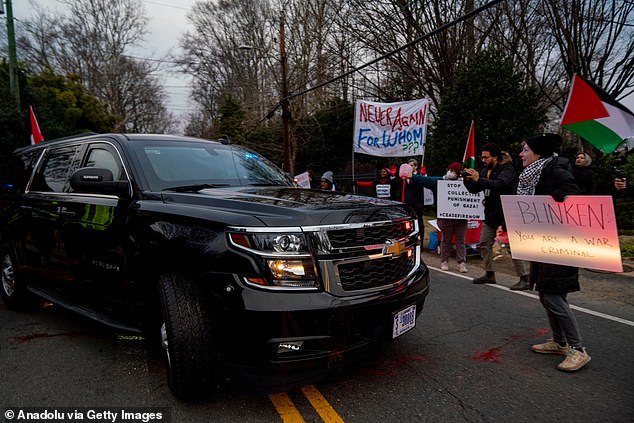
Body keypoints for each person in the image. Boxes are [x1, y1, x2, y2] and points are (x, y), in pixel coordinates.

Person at [517, 133, 590, 372]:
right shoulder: (532, 175)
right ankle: (559, 342)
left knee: (553, 296)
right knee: (545, 293)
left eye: (525, 149)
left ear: (538, 153)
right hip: (543, 242)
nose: (521, 154)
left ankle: (578, 350)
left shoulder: (556, 172)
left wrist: (563, 197)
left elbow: (577, 199)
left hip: (561, 243)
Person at [463, 143, 529, 286]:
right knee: (485, 243)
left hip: (507, 215)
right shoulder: (485, 171)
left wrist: (478, 179)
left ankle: (524, 277)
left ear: (495, 157)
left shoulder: (507, 169)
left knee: (513, 247)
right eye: (482, 157)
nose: (483, 160)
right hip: (491, 214)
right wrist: (467, 180)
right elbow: (475, 189)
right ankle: (489, 273)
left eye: (487, 157)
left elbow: (500, 185)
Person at [410, 162, 468, 273]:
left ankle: (461, 263)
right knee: (446, 240)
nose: (451, 172)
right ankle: (444, 261)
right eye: (450, 170)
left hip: (461, 217)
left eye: (453, 171)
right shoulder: (439, 182)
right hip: (445, 217)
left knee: (460, 240)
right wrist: (412, 176)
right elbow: (426, 180)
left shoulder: (465, 183)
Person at [391, 158, 426, 238]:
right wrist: (393, 176)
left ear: (416, 167)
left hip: (416, 206)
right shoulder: (403, 178)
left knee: (418, 224)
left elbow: (424, 183)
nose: (409, 167)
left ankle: (419, 243)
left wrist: (423, 175)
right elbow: (394, 185)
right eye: (408, 165)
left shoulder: (419, 177)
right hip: (405, 205)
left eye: (411, 165)